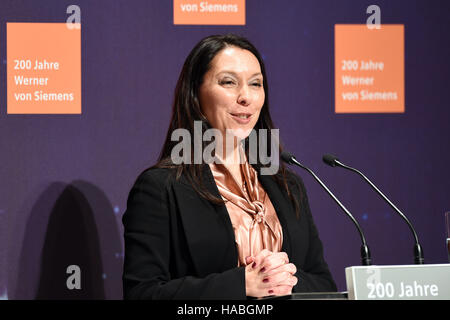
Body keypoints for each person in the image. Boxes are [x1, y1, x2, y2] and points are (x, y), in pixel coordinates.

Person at [122, 34, 337, 299]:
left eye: (256, 84)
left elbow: (324, 285)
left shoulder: (287, 184)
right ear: (195, 94)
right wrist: (241, 284)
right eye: (228, 82)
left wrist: (282, 280)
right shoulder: (161, 188)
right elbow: (142, 293)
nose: (246, 96)